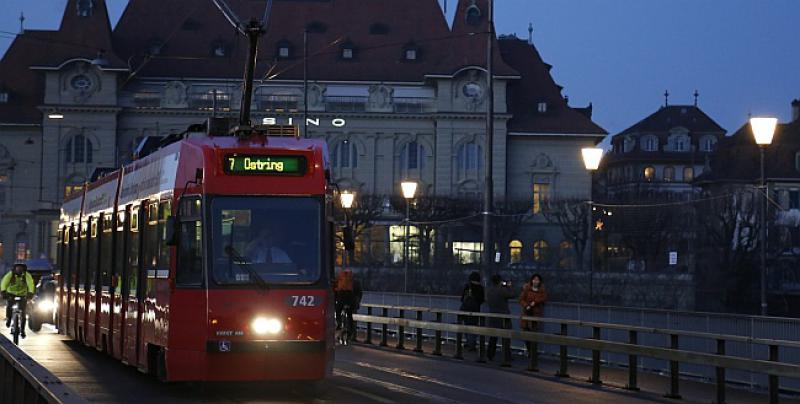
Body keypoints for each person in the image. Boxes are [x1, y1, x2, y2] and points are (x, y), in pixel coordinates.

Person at [485, 274, 516, 362]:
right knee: (506, 337)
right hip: (503, 316)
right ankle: (506, 356)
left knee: (493, 337)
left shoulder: (489, 291)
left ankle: (490, 354)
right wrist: (509, 286)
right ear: (500, 281)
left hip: (493, 315)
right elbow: (512, 295)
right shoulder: (502, 290)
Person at [1, 263, 35, 338]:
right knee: (9, 306)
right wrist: (3, 291)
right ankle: (9, 319)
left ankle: (22, 330)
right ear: (14, 268)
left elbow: (30, 284)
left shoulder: (26, 275)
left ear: (23, 268)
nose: (19, 269)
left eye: (21, 267)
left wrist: (30, 293)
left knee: (23, 313)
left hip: (22, 295)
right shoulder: (10, 274)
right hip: (11, 294)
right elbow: (4, 282)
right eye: (17, 267)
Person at [519, 273, 548, 356]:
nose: (535, 281)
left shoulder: (541, 290)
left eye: (537, 280)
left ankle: (533, 352)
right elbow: (521, 299)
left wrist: (535, 302)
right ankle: (530, 351)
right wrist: (526, 305)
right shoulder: (527, 289)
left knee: (534, 333)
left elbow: (544, 298)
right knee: (526, 333)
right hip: (527, 312)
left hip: (536, 314)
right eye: (534, 279)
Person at [459, 271, 484, 352]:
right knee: (473, 327)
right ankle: (472, 344)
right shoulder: (480, 288)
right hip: (475, 310)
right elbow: (481, 299)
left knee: (466, 326)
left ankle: (468, 342)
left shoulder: (467, 286)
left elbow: (462, 298)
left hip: (465, 309)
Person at [334, 267, 358, 343]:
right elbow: (357, 292)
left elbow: (335, 290)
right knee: (350, 315)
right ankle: (350, 331)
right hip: (350, 299)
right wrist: (356, 303)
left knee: (337, 311)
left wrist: (335, 300)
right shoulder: (353, 281)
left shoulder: (339, 279)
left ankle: (339, 324)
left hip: (341, 298)